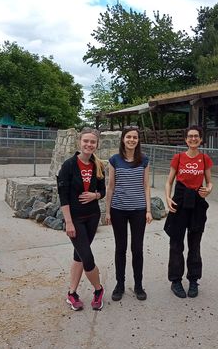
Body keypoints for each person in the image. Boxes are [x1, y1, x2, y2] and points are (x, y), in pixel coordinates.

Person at [57, 128, 106, 311]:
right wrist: (68, 222)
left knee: (78, 254)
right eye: (86, 141)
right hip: (75, 218)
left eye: (93, 142)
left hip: (92, 217)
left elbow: (103, 191)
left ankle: (72, 293)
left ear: (96, 144)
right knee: (87, 257)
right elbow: (63, 196)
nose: (89, 145)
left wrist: (95, 195)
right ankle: (98, 289)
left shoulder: (98, 165)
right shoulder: (69, 166)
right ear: (80, 142)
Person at [164, 125, 213, 298]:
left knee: (195, 243)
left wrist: (208, 189)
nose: (193, 139)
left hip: (197, 203)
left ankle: (193, 279)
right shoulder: (178, 158)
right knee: (176, 242)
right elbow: (169, 181)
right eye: (190, 136)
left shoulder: (205, 158)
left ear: (200, 139)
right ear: (186, 140)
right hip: (180, 200)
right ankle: (175, 280)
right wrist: (168, 198)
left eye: (196, 136)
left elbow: (209, 182)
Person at [105, 126, 153, 301]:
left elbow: (146, 185)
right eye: (128, 137)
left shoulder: (144, 160)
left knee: (137, 248)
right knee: (120, 248)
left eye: (135, 137)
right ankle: (120, 284)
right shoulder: (114, 160)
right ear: (123, 139)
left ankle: (138, 285)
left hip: (138, 210)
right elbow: (110, 186)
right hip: (118, 210)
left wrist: (148, 209)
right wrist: (108, 211)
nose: (132, 140)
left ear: (138, 140)